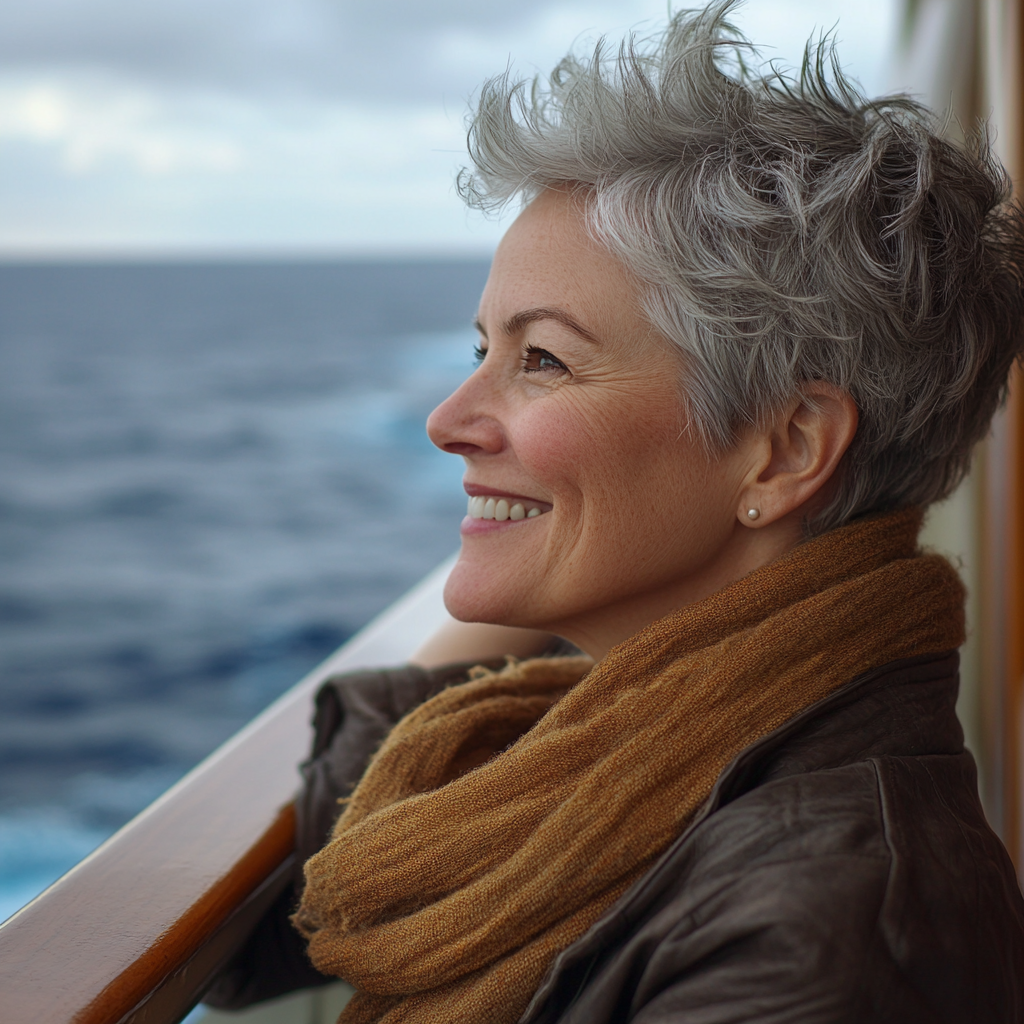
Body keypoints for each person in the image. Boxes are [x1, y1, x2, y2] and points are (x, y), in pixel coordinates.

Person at [205, 3, 1024, 1020]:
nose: (447, 419)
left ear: (786, 447)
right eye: (480, 351)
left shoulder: (825, 943)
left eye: (541, 358)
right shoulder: (616, 746)